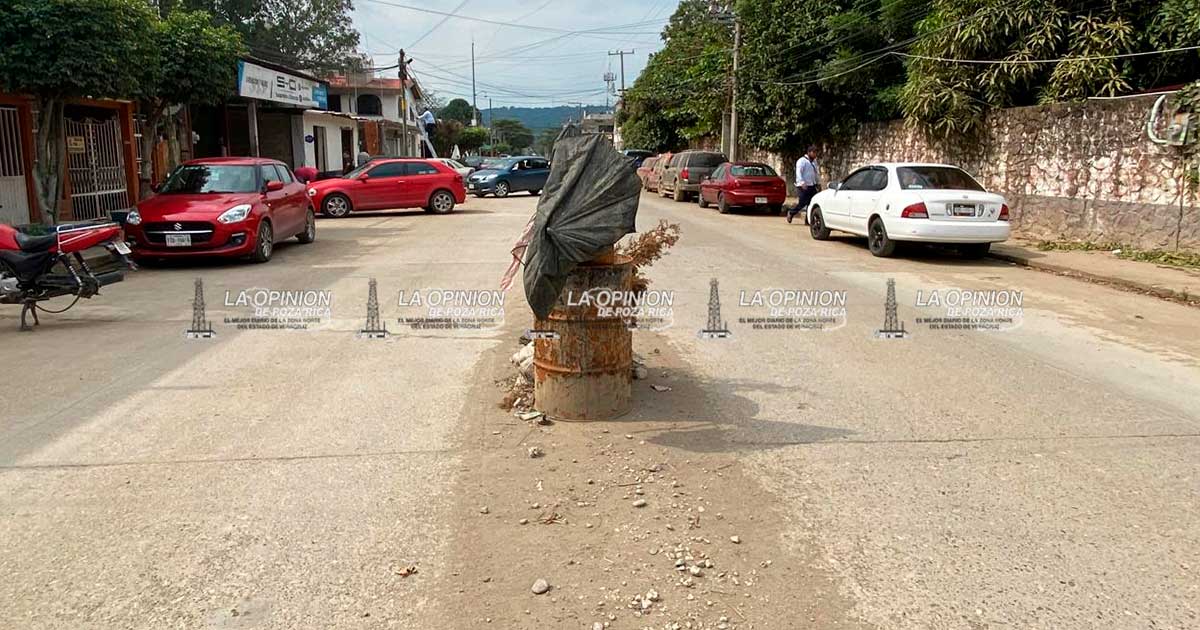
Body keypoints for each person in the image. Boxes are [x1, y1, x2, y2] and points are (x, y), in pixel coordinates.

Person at [787, 145, 820, 224]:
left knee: (812, 203)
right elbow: (799, 172)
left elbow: (815, 174)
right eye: (813, 152)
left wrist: (817, 183)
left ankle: (807, 220)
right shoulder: (802, 161)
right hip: (803, 186)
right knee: (802, 202)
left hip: (812, 185)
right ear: (809, 152)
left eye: (816, 152)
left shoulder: (814, 162)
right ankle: (791, 212)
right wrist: (802, 182)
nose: (815, 154)